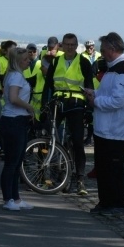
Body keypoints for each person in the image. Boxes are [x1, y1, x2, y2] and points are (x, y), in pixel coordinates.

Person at [83, 32, 124, 215]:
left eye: (103, 50)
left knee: (113, 169)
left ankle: (118, 204)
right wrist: (94, 93)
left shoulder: (123, 70)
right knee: (103, 168)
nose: (101, 53)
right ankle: (105, 202)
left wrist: (95, 101)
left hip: (115, 129)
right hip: (104, 128)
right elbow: (108, 94)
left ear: (112, 49)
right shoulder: (112, 68)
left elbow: (118, 101)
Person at [43, 33, 95, 195]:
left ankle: (79, 179)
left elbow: (89, 86)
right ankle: (47, 177)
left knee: (77, 141)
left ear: (76, 45)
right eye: (67, 44)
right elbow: (48, 84)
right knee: (48, 137)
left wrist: (89, 109)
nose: (70, 47)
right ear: (62, 45)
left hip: (76, 104)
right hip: (59, 102)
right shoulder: (56, 61)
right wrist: (45, 104)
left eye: (72, 44)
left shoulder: (84, 62)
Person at [0, 47, 36, 211]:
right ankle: (8, 198)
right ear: (19, 61)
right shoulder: (15, 76)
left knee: (17, 161)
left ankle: (16, 197)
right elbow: (13, 98)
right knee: (11, 162)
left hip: (17, 120)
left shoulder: (17, 76)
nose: (29, 61)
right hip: (13, 120)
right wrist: (30, 107)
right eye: (27, 59)